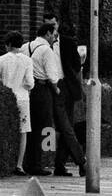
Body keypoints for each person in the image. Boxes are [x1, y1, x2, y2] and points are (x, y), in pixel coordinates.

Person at [21, 19, 61, 176]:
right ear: (47, 33)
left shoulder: (26, 46)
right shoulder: (47, 50)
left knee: (29, 127)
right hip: (43, 90)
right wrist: (56, 87)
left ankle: (27, 162)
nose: (54, 38)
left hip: (27, 89)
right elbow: (52, 76)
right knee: (45, 127)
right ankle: (41, 162)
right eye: (53, 34)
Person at [51, 24, 86, 177]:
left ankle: (60, 165)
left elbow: (77, 64)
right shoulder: (41, 45)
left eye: (53, 24)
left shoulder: (68, 42)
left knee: (67, 126)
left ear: (58, 24)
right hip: (49, 87)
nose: (51, 28)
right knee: (65, 127)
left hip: (65, 86)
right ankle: (81, 161)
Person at [0, 31, 35, 175]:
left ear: (8, 44)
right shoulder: (27, 60)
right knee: (23, 131)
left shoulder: (1, 59)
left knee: (5, 129)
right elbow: (30, 83)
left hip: (7, 97)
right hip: (22, 98)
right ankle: (19, 164)